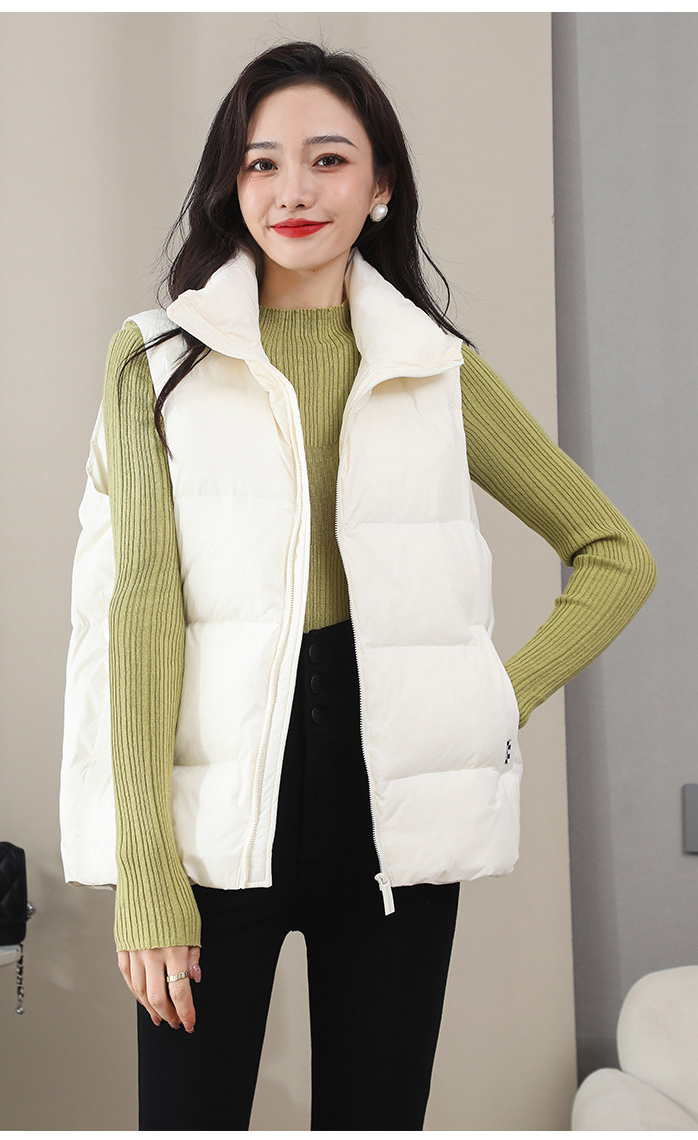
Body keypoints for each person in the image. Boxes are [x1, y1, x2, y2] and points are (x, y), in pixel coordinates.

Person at [60, 40, 656, 1131]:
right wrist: (145, 873)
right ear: (230, 184)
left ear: (380, 186)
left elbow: (617, 553)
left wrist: (494, 699)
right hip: (214, 821)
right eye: (262, 163)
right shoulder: (154, 361)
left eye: (328, 160)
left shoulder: (435, 369)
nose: (293, 190)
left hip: (392, 825)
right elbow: (139, 606)